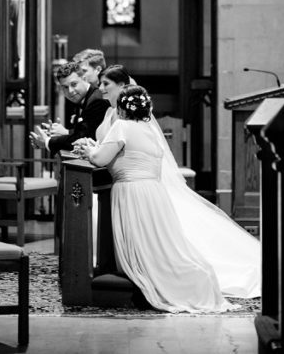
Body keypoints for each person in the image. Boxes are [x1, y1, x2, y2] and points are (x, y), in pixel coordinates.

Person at [78, 84, 261, 300]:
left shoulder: (121, 127)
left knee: (140, 244)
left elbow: (100, 159)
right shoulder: (151, 131)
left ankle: (149, 280)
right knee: (159, 242)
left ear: (122, 109)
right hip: (154, 193)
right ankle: (189, 276)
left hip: (131, 192)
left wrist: (89, 149)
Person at [29, 61, 109, 154]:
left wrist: (47, 141)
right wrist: (55, 135)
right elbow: (80, 133)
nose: (70, 91)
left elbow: (82, 139)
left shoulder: (96, 100)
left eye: (74, 84)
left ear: (84, 79)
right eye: (65, 87)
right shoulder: (82, 98)